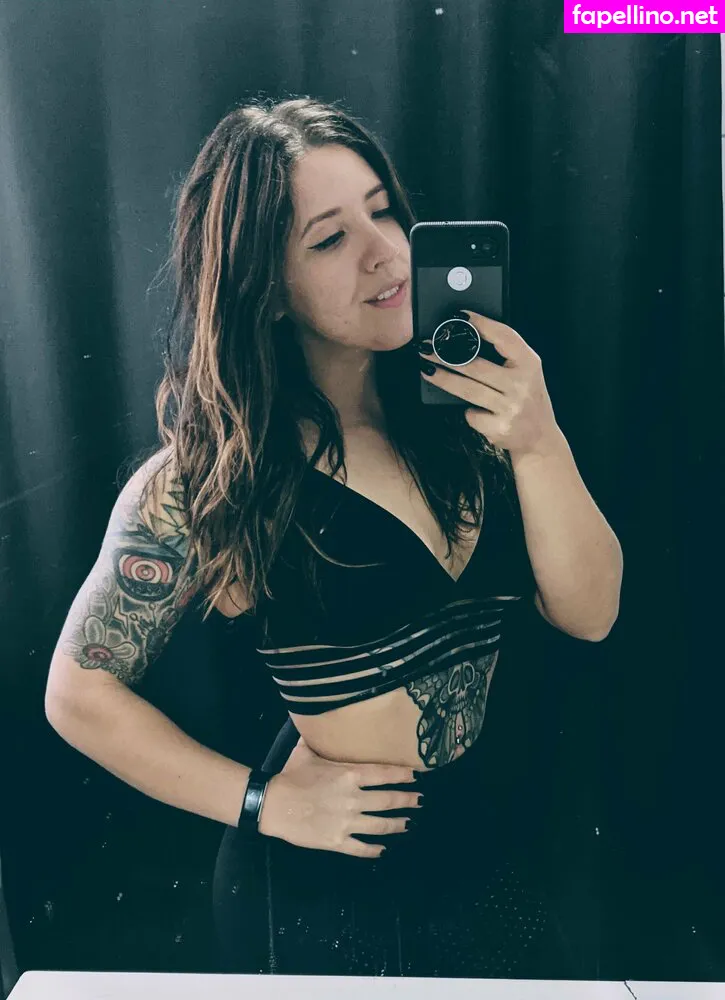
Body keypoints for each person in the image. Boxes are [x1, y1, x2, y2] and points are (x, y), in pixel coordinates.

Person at [45, 97, 623, 977]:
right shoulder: (213, 477)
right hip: (322, 879)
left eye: (383, 211)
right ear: (265, 287)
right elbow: (78, 692)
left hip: (488, 841)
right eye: (328, 239)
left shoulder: (475, 421)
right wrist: (263, 804)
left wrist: (540, 441)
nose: (386, 253)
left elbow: (590, 613)